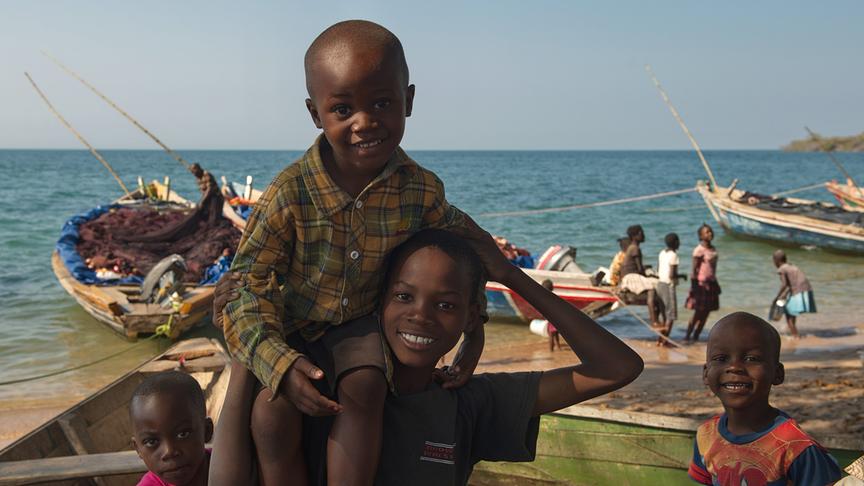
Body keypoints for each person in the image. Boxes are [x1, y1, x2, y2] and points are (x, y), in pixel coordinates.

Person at [221, 20, 488, 485]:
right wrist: (276, 362)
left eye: (382, 103)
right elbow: (247, 283)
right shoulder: (290, 193)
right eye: (342, 109)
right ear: (315, 113)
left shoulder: (420, 189)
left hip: (361, 323)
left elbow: (462, 251)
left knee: (365, 389)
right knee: (270, 417)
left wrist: (475, 330)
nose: (364, 122)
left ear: (408, 100)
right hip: (292, 323)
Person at [211, 229, 644, 486]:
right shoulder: (328, 391)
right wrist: (246, 338)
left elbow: (617, 368)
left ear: (472, 315)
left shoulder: (471, 402)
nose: (420, 315)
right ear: (378, 301)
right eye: (403, 296)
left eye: (446, 304)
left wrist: (512, 276)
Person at [689, 312, 841, 485]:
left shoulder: (796, 448)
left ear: (777, 374)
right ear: (706, 374)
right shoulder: (706, 435)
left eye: (751, 359)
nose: (734, 367)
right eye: (721, 358)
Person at [130, 371, 213, 486]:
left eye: (183, 434)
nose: (169, 452)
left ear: (207, 431)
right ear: (138, 449)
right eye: (151, 442)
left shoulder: (233, 464)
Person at [619, 225, 661, 326]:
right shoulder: (635, 249)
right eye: (640, 233)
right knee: (652, 288)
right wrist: (650, 276)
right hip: (631, 277)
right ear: (634, 236)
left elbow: (638, 267)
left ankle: (656, 318)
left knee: (654, 281)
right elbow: (639, 269)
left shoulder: (632, 248)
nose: (643, 235)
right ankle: (654, 320)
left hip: (630, 275)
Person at [685, 224, 720, 343]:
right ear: (700, 236)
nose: (710, 234)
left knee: (706, 312)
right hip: (701, 285)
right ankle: (687, 336)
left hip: (711, 284)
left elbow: (712, 269)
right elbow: (694, 271)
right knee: (698, 312)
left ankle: (696, 336)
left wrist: (716, 283)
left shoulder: (713, 249)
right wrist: (694, 288)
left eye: (711, 231)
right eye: (707, 232)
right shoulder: (699, 250)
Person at [772, 250, 816, 339]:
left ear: (776, 260)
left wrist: (777, 297)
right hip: (805, 289)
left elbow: (784, 284)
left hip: (798, 291)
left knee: (788, 314)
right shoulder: (791, 266)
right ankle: (794, 332)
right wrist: (785, 294)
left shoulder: (782, 269)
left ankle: (795, 336)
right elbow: (792, 283)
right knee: (791, 313)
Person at [656, 233, 686, 345]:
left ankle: (660, 339)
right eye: (678, 241)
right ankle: (665, 341)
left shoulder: (662, 253)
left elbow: (658, 268)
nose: (680, 243)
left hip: (659, 284)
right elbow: (672, 275)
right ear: (675, 243)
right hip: (668, 286)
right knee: (671, 315)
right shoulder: (674, 255)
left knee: (664, 314)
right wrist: (682, 276)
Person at [539, 279, 561, 351]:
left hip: (551, 319)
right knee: (556, 333)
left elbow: (543, 309)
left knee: (551, 335)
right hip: (557, 318)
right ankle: (559, 347)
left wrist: (542, 316)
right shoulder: (554, 296)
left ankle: (551, 350)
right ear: (552, 288)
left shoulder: (544, 298)